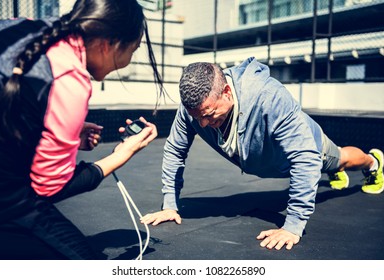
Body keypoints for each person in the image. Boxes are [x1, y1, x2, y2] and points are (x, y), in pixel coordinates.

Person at [141, 57, 384, 251]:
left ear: (226, 91)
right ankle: (336, 172)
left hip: (309, 147)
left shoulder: (268, 97)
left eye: (209, 114)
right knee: (329, 167)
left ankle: (373, 163)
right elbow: (175, 150)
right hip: (271, 161)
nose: (202, 124)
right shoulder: (192, 110)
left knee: (341, 159)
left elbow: (305, 158)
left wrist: (293, 225)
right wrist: (170, 205)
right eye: (197, 117)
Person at [0, 0, 164, 259]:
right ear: (109, 44)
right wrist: (122, 154)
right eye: (134, 49)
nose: (129, 60)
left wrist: (51, 126)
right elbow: (49, 188)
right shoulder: (70, 81)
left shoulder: (20, 27)